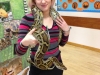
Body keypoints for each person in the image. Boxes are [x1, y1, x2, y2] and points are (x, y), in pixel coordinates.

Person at [15, 0, 71, 75]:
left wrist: (66, 31)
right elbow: (18, 52)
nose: (43, 1)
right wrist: (24, 43)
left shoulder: (57, 20)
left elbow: (62, 43)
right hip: (37, 69)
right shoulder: (27, 19)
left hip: (57, 65)